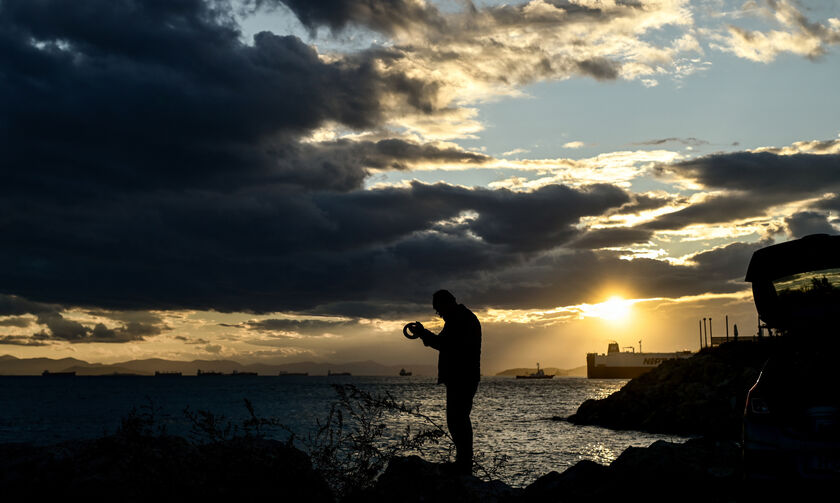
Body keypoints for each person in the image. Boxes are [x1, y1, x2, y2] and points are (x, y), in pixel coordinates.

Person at [408, 290, 481, 475]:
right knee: (458, 420)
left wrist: (423, 333)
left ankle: (464, 465)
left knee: (458, 420)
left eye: (439, 309)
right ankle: (463, 463)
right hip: (462, 377)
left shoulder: (460, 319)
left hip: (461, 378)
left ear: (447, 304)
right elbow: (445, 343)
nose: (439, 314)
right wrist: (424, 334)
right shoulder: (461, 318)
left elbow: (444, 344)